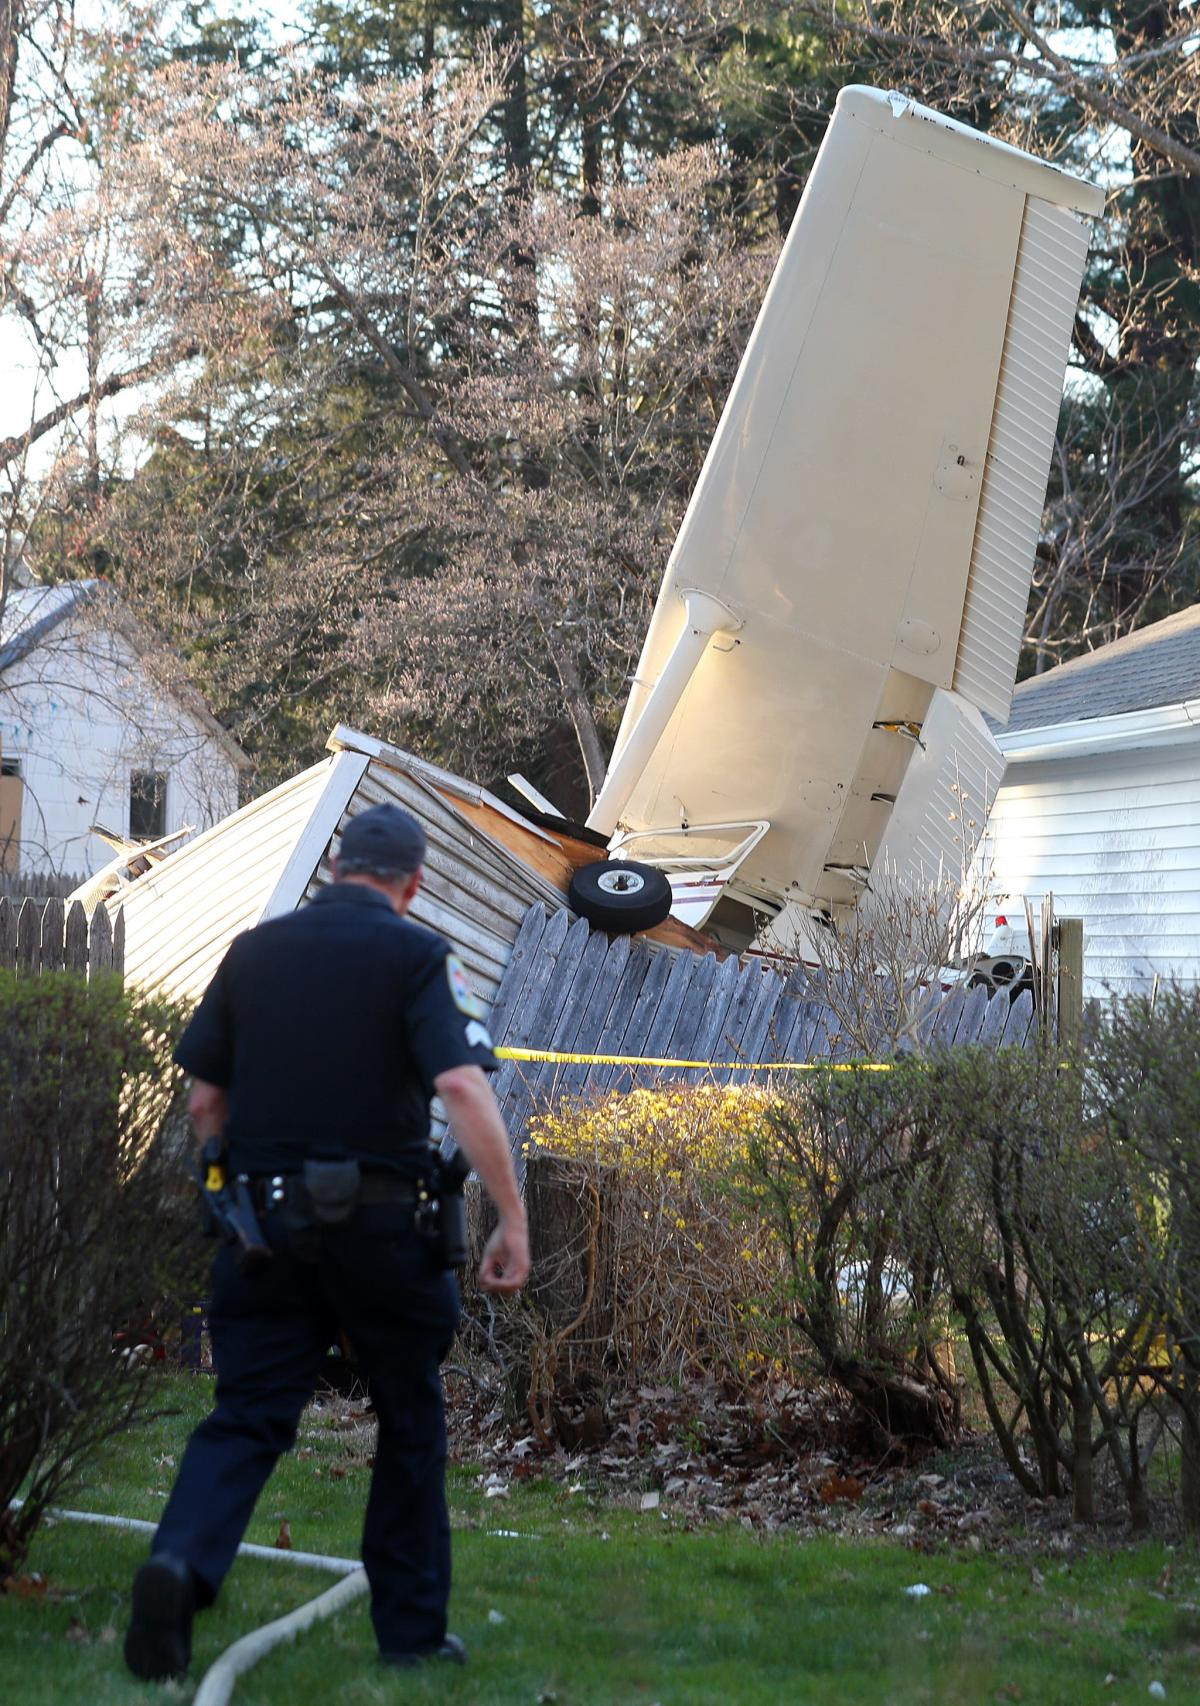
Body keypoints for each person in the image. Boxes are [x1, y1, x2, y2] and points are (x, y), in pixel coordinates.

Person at [123, 802, 530, 1681]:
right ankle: (411, 1634)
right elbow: (460, 1084)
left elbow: (203, 1103)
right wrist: (512, 1214)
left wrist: (228, 1189)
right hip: (382, 1230)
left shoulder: (251, 954)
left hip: (262, 1231)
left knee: (249, 1414)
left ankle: (180, 1563)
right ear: (412, 885)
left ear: (337, 867)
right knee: (408, 1415)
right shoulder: (419, 956)